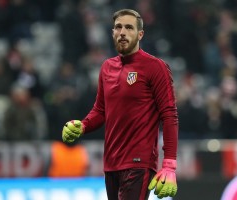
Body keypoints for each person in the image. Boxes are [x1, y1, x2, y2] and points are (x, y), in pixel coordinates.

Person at [62, 9, 178, 200]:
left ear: (140, 34)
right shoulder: (107, 67)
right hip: (111, 164)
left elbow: (169, 115)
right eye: (118, 27)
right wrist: (83, 125)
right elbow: (100, 110)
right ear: (112, 32)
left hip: (139, 163)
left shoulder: (155, 67)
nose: (122, 32)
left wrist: (169, 164)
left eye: (129, 28)